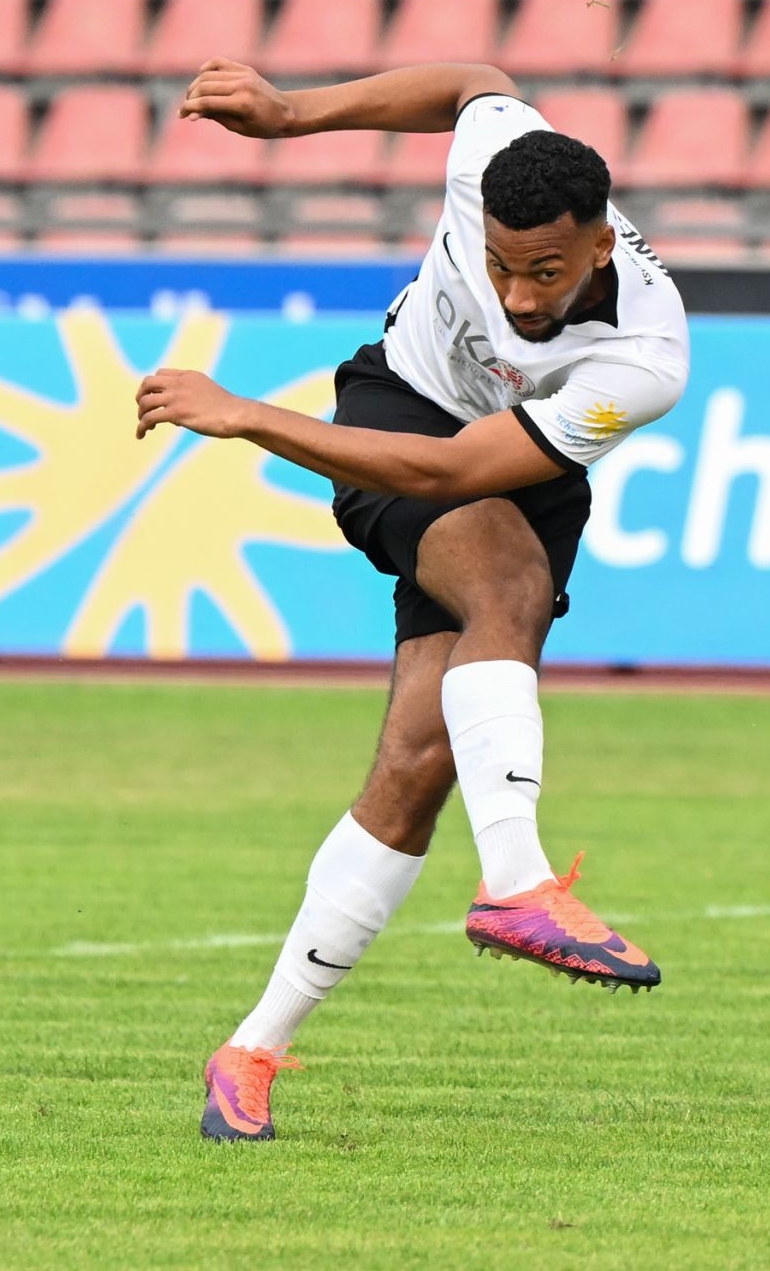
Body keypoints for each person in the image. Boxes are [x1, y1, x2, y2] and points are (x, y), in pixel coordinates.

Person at [134, 60, 690, 1143]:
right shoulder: (492, 151)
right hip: (397, 408)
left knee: (414, 772)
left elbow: (462, 473)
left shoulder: (648, 356)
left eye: (545, 273)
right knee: (509, 588)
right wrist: (292, 115)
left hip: (507, 465)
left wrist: (248, 415)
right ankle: (518, 882)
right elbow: (475, 81)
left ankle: (248, 1052)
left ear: (601, 246)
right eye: (499, 265)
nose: (519, 297)